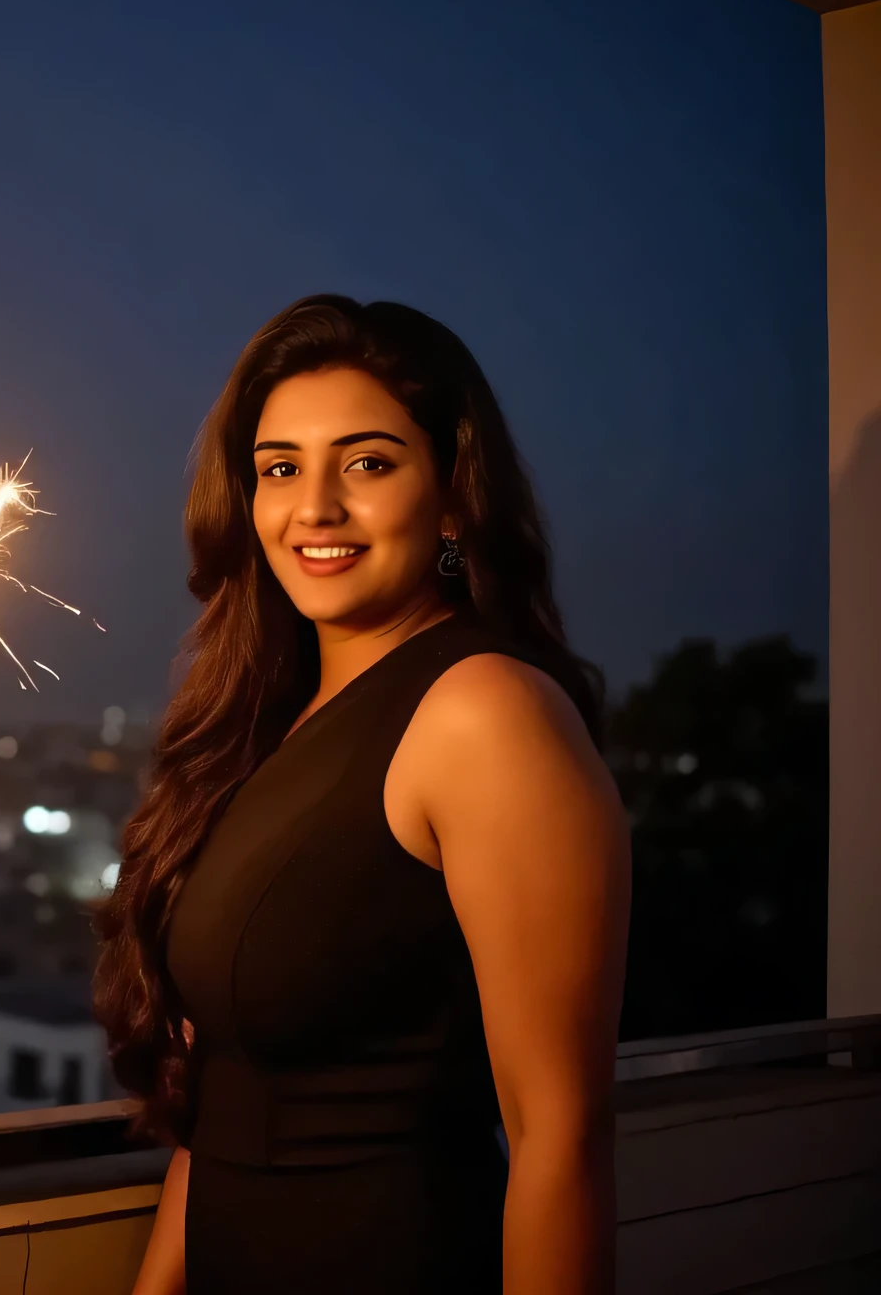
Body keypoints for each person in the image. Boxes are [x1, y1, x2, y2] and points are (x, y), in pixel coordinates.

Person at [97, 296, 630, 1293]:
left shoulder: (482, 711)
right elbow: (220, 1109)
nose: (314, 508)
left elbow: (559, 1133)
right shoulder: (264, 727)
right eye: (279, 467)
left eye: (368, 462)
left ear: (453, 496)